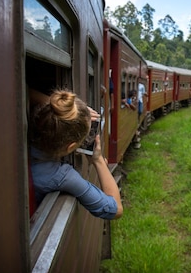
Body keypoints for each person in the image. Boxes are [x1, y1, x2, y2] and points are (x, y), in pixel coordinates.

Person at [28, 89, 123, 220]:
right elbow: (115, 209)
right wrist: (98, 160)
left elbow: (28, 91)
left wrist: (62, 110)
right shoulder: (62, 176)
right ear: (71, 147)